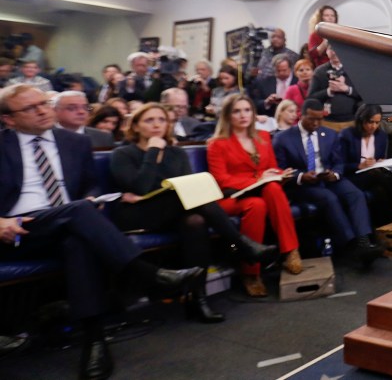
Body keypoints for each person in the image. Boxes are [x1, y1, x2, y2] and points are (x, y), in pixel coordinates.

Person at [0, 85, 202, 380]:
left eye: (44, 103)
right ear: (8, 119)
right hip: (17, 231)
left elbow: (89, 185)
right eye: (30, 108)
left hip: (66, 226)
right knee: (79, 213)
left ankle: (95, 342)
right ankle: (148, 274)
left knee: (78, 241)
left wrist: (94, 198)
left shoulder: (73, 142)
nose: (43, 110)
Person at [110, 103, 278, 320]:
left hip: (174, 210)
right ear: (135, 126)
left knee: (196, 220)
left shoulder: (176, 153)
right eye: (149, 120)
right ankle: (241, 244)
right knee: (194, 200)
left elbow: (188, 186)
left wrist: (161, 186)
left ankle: (197, 299)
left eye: (161, 120)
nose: (156, 125)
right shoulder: (123, 153)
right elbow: (140, 187)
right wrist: (153, 150)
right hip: (138, 215)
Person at [207, 94, 303, 297]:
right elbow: (221, 180)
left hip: (261, 190)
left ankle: (290, 251)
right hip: (230, 197)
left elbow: (272, 168)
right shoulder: (217, 143)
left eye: (247, 110)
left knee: (272, 190)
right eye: (237, 111)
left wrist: (279, 175)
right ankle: (251, 272)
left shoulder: (264, 136)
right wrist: (258, 179)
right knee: (257, 204)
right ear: (227, 115)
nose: (243, 115)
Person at [273, 99, 382, 264]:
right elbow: (280, 169)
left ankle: (363, 241)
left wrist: (335, 174)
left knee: (355, 194)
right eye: (311, 119)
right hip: (302, 184)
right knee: (328, 198)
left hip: (327, 178)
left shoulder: (329, 134)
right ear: (301, 116)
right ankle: (351, 245)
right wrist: (301, 176)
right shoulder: (283, 138)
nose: (316, 123)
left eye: (319, 119)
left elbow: (338, 162)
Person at [339, 104, 392, 226]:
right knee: (381, 178)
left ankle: (385, 228)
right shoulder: (347, 135)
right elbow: (339, 165)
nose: (373, 126)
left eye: (377, 122)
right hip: (352, 177)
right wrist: (359, 165)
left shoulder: (381, 136)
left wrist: (380, 162)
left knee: (381, 190)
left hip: (372, 175)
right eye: (370, 122)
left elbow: (378, 158)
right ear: (361, 119)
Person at [307, 45, 362, 131]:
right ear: (326, 51)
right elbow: (310, 97)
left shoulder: (355, 70)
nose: (335, 52)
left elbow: (365, 95)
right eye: (331, 49)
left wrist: (347, 89)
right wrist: (329, 91)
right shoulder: (320, 71)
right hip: (326, 122)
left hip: (351, 122)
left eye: (338, 48)